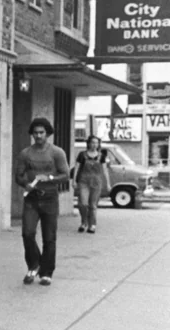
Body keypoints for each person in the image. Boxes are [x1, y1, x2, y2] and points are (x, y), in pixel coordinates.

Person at [14, 116, 70, 286]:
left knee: (49, 237)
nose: (38, 136)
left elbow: (66, 175)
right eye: (35, 133)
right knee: (27, 233)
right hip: (32, 199)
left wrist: (50, 177)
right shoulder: (25, 153)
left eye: (41, 133)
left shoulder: (57, 152)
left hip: (50, 198)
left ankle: (46, 273)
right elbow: (18, 175)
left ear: (47, 134)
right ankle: (34, 264)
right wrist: (26, 184)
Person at [74, 134, 109, 234]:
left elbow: (105, 170)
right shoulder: (82, 155)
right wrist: (74, 181)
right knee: (83, 204)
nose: (94, 145)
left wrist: (108, 184)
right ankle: (84, 222)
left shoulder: (101, 156)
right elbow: (76, 168)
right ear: (88, 143)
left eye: (96, 143)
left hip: (96, 182)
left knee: (93, 205)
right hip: (83, 182)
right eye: (92, 142)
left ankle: (92, 224)